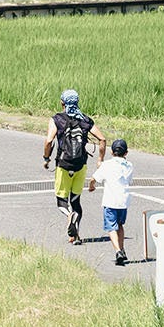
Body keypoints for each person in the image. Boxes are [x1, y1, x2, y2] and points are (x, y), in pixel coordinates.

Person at [43, 89, 107, 244]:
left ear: (62, 103)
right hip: (80, 165)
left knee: (62, 202)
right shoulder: (85, 120)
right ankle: (75, 236)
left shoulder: (56, 119)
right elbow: (102, 139)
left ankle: (69, 216)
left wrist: (46, 158)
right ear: (77, 102)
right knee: (76, 201)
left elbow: (49, 141)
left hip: (64, 164)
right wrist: (100, 159)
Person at [92, 138, 134, 265]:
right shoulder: (130, 166)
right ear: (126, 153)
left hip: (110, 201)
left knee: (111, 227)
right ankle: (122, 249)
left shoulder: (107, 165)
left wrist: (91, 186)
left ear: (111, 152)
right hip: (124, 201)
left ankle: (118, 251)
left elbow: (94, 178)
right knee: (120, 225)